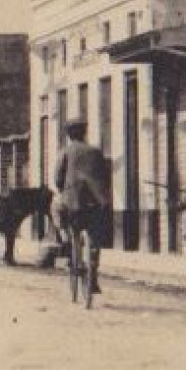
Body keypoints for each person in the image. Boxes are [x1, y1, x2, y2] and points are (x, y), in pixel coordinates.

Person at [53, 121, 112, 297]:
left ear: (69, 135)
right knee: (95, 239)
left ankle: (65, 240)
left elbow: (58, 179)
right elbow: (106, 177)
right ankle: (93, 278)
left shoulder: (65, 152)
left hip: (73, 204)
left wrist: (63, 188)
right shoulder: (95, 152)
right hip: (94, 204)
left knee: (56, 210)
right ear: (85, 133)